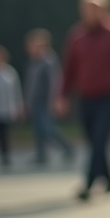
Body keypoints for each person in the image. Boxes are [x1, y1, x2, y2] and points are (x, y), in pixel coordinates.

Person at [56, 0, 110, 201]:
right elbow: (69, 68)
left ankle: (89, 182)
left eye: (94, 8)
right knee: (94, 141)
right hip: (85, 96)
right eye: (86, 8)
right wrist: (62, 95)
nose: (90, 13)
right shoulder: (77, 35)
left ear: (104, 9)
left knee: (100, 138)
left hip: (108, 96)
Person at [23, 29, 74, 166]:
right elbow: (30, 85)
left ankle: (67, 147)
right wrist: (27, 102)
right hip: (35, 102)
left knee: (48, 128)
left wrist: (55, 100)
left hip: (46, 101)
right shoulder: (34, 62)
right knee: (38, 129)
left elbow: (55, 82)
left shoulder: (49, 61)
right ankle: (41, 154)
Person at [0, 44, 23, 169]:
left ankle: (5, 157)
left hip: (6, 109)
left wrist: (19, 105)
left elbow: (16, 91)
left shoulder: (10, 72)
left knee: (4, 135)